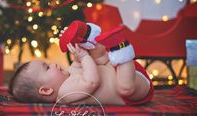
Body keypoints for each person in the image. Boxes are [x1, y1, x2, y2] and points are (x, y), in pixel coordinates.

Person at [9, 21, 153, 105]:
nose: (52, 64)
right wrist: (84, 57)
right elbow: (91, 82)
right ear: (46, 90)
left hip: (112, 66)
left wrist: (77, 50)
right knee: (124, 87)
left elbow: (79, 65)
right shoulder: (65, 94)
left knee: (97, 58)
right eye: (47, 68)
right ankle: (121, 46)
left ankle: (85, 36)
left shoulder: (69, 74)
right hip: (132, 91)